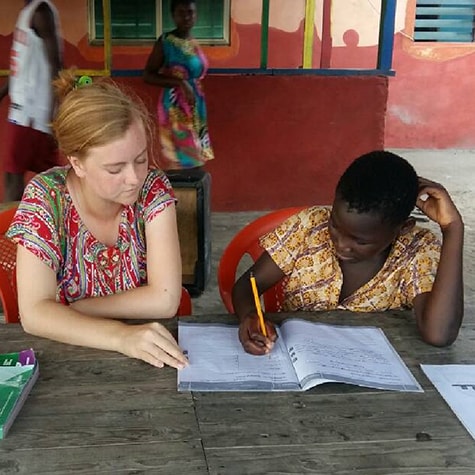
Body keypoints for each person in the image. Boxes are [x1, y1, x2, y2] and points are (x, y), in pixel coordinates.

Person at [6, 70, 189, 370]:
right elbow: (35, 312)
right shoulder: (47, 198)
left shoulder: (152, 188)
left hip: (145, 352)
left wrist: (78, 308)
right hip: (67, 357)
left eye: (141, 159)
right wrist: (121, 337)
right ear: (77, 163)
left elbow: (166, 299)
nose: (134, 178)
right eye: (115, 169)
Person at [233, 151, 464, 355]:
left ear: (402, 229)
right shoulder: (309, 226)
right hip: (296, 361)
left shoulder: (417, 250)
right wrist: (251, 315)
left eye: (360, 241)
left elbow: (439, 334)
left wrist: (452, 228)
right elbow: (247, 285)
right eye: (334, 225)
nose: (341, 244)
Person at [0, 0, 63, 202]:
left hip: (31, 114)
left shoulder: (40, 11)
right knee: (51, 179)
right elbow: (21, 65)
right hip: (26, 111)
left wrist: (56, 111)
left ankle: (14, 231)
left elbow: (56, 65)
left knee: (14, 177)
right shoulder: (27, 12)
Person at [143, 0, 214, 170]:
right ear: (173, 16)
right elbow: (148, 75)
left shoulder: (193, 42)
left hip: (195, 107)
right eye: (181, 13)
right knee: (181, 161)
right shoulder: (166, 42)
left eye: (190, 12)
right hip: (176, 109)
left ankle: (193, 196)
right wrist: (180, 83)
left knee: (196, 159)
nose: (186, 17)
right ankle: (177, 196)